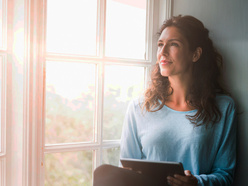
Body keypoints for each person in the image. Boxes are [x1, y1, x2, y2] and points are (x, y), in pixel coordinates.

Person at [120, 15, 237, 186]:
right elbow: (126, 171)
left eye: (173, 44)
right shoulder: (139, 107)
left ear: (195, 54)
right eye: (160, 44)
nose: (163, 52)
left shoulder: (224, 107)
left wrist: (196, 183)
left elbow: (226, 174)